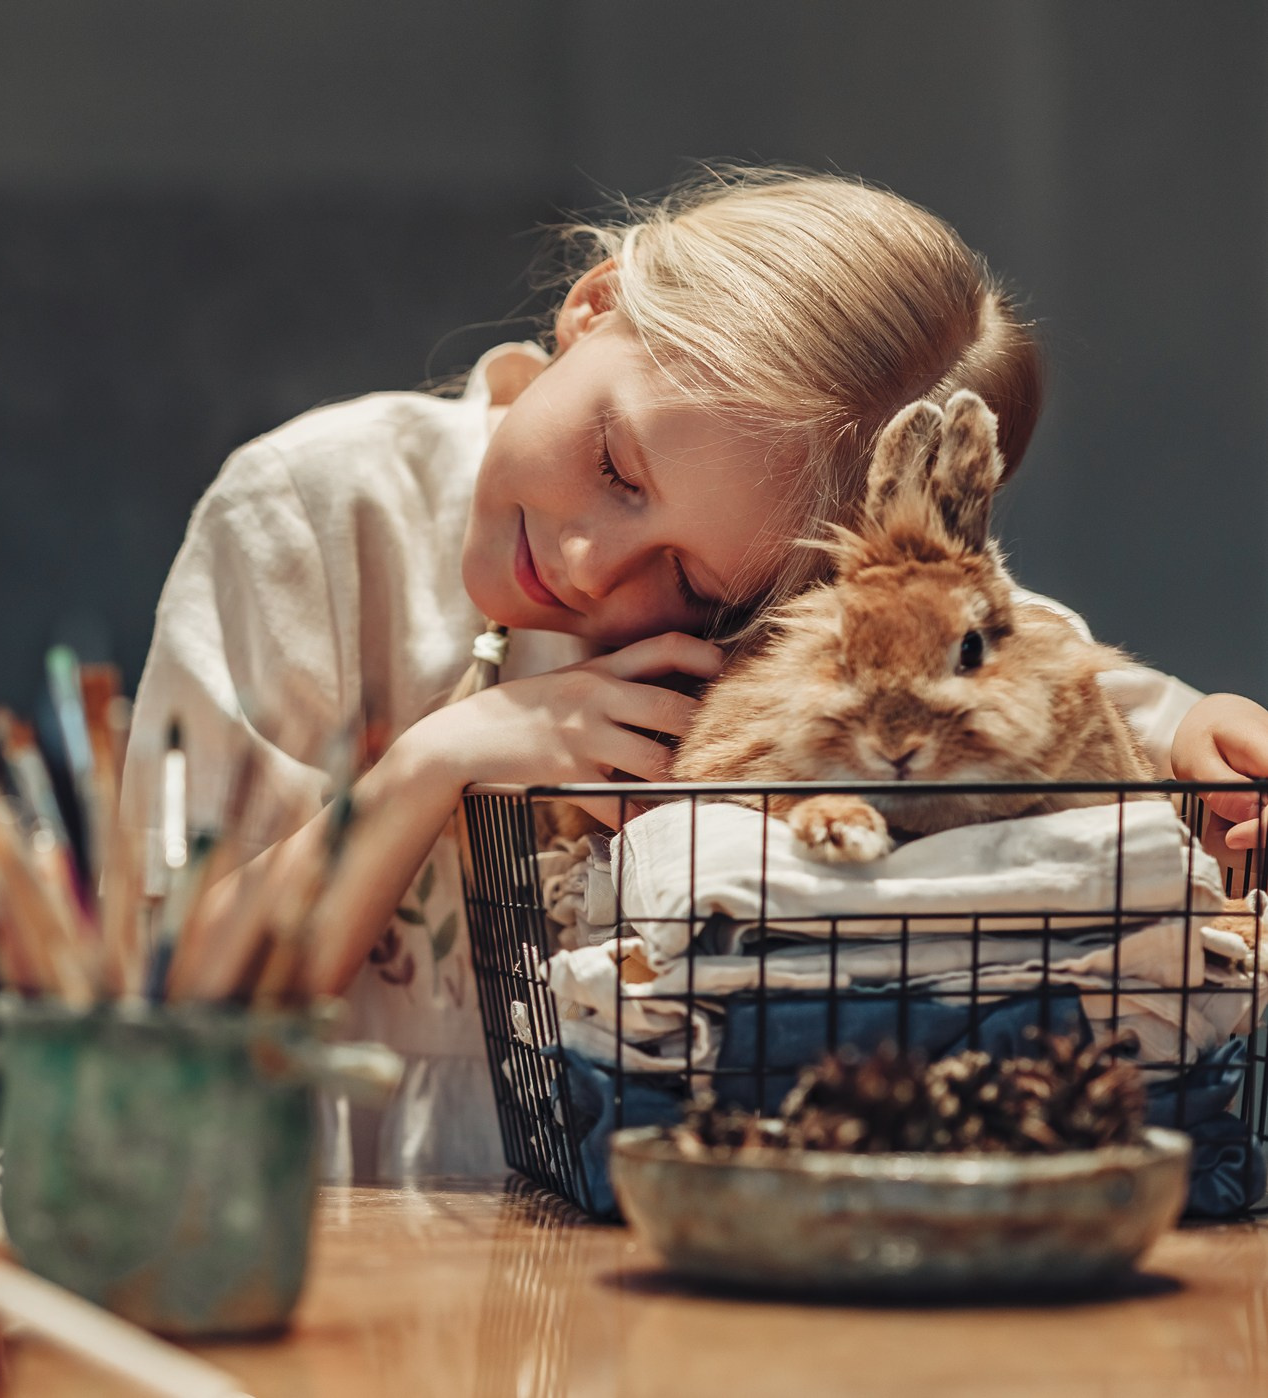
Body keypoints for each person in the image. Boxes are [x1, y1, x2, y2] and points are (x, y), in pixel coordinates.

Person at [120, 168, 1268, 1182]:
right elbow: (156, 1015)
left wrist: (1201, 734)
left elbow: (1041, 679)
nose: (586, 567)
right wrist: (435, 764)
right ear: (592, 305)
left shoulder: (792, 634)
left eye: (691, 581)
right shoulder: (313, 515)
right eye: (617, 465)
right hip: (316, 1253)